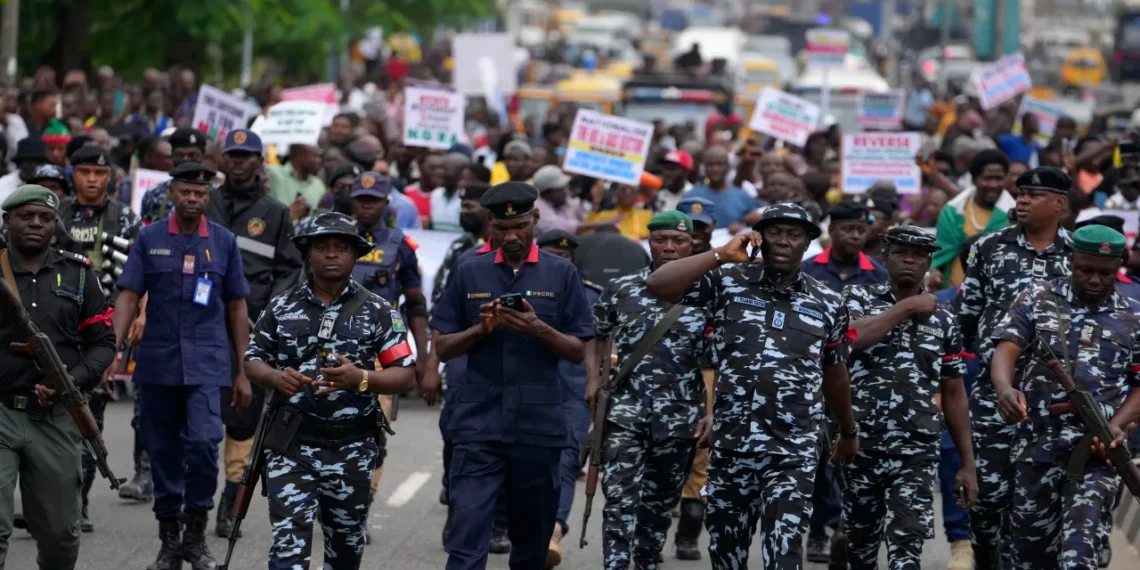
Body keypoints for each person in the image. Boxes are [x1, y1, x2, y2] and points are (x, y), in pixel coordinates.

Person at [645, 203, 860, 570]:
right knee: (727, 554)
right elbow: (658, 285)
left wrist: (848, 429)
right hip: (732, 446)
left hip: (793, 449)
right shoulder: (727, 280)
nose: (784, 242)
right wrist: (719, 254)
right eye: (775, 232)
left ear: (808, 243)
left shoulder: (828, 303)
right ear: (759, 236)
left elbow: (835, 371)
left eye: (795, 235)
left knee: (784, 553)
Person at [430, 181, 595, 570]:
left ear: (535, 218)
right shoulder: (469, 270)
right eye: (501, 229)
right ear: (488, 223)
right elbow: (443, 347)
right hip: (477, 424)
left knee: (531, 545)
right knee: (466, 539)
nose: (512, 236)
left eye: (520, 225)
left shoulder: (561, 274)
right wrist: (479, 330)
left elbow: (576, 351)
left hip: (537, 428)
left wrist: (538, 328)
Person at [244, 212, 416, 570]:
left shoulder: (379, 310)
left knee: (345, 549)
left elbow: (405, 375)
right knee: (288, 548)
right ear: (309, 254)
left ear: (356, 255)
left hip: (351, 446)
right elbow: (252, 360)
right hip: (292, 442)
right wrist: (275, 378)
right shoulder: (280, 306)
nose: (331, 254)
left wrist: (361, 379)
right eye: (322, 247)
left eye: (341, 247)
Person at [112, 161, 253, 570]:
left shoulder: (224, 242)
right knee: (163, 451)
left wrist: (243, 369)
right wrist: (112, 351)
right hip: (157, 364)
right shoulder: (150, 238)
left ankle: (196, 534)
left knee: (205, 444)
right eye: (186, 191)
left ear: (208, 197)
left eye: (200, 193)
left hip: (208, 364)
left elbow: (237, 307)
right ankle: (169, 540)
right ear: (172, 192)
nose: (193, 199)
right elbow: (127, 294)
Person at [990, 224, 1140, 570]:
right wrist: (1004, 387)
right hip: (1036, 448)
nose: (1094, 280)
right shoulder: (1037, 298)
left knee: (1079, 555)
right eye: (1085, 270)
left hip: (1097, 456)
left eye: (1105, 273)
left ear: (1119, 265)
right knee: (1030, 557)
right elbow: (1006, 349)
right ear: (1071, 260)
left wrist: (1115, 427)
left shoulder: (1132, 316)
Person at [840, 226, 978, 569]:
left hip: (916, 450)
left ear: (929, 262)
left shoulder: (945, 321)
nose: (909, 260)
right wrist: (906, 308)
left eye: (918, 255)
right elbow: (850, 339)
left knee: (906, 549)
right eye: (901, 252)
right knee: (860, 549)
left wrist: (967, 463)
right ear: (885, 256)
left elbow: (954, 393)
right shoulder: (856, 298)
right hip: (859, 445)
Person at [959, 166, 1074, 570]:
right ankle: (985, 558)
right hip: (994, 394)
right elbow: (967, 318)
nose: (1022, 200)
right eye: (1020, 193)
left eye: (1034, 194)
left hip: (1051, 399)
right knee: (989, 494)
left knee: (1036, 499)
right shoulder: (989, 248)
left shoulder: (1076, 257)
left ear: (1059, 203)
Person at [0, 185, 115, 570]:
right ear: (7, 222)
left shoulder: (79, 276)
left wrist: (73, 378)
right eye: (25, 216)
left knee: (60, 534)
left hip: (55, 418)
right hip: (1, 411)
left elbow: (103, 343)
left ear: (55, 225)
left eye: (45, 218)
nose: (35, 224)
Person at [590, 210, 712, 569]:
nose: (669, 248)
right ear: (649, 242)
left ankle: (645, 561)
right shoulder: (623, 288)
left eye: (678, 241)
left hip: (680, 420)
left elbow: (719, 362)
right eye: (661, 240)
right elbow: (595, 333)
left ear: (692, 245)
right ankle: (615, 564)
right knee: (619, 501)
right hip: (625, 413)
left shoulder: (708, 294)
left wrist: (711, 412)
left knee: (659, 508)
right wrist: (594, 381)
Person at [205, 129, 304, 540]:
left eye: (248, 156)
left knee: (243, 423)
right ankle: (189, 505)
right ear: (223, 159)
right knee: (200, 417)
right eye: (233, 155)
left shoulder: (276, 212)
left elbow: (290, 270)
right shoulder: (203, 201)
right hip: (202, 324)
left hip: (252, 328)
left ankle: (230, 504)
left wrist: (268, 315)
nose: (240, 162)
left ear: (259, 162)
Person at [57, 144, 143, 530]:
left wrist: (139, 315)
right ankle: (51, 499)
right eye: (85, 172)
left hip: (101, 331)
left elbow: (141, 275)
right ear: (71, 173)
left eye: (100, 174)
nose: (92, 180)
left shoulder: (125, 218)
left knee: (89, 419)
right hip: (53, 328)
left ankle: (79, 503)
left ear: (111, 177)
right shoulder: (55, 212)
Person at [347, 171, 430, 526]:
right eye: (361, 199)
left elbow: (415, 304)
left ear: (385, 204)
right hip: (333, 351)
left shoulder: (401, 245)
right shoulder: (334, 240)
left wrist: (424, 360)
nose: (366, 205)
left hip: (383, 356)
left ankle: (361, 506)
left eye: (373, 199)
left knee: (373, 433)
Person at [535, 229, 604, 568]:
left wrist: (595, 381)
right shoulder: (520, 288)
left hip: (574, 389)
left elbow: (599, 341)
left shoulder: (591, 295)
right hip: (529, 388)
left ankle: (554, 529)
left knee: (566, 459)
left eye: (565, 257)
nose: (559, 262)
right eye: (551, 255)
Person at [666, 196, 718, 561]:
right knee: (662, 444)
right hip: (664, 367)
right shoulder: (658, 266)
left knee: (703, 445)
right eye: (689, 228)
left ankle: (688, 530)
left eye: (702, 229)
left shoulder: (725, 268)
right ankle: (651, 528)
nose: (696, 235)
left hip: (709, 367)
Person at [932, 150, 1017, 289]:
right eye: (987, 178)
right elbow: (940, 254)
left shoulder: (1016, 215)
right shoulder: (952, 212)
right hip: (953, 294)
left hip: (997, 295)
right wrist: (934, 272)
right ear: (974, 179)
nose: (993, 184)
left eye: (999, 178)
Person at [140, 128, 211, 224]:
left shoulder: (216, 194)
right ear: (172, 156)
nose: (186, 160)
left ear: (203, 156)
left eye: (192, 155)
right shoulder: (154, 193)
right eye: (179, 155)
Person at [685, 146, 762, 231]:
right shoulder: (691, 196)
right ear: (704, 167)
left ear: (728, 167)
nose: (715, 168)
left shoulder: (742, 196)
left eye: (720, 164)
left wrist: (742, 225)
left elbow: (756, 220)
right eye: (711, 164)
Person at [267, 143, 326, 221]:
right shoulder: (273, 174)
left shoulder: (319, 185)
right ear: (299, 155)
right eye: (315, 156)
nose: (319, 160)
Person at [117, 136, 173, 207]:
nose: (171, 160)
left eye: (173, 155)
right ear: (148, 158)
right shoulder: (130, 183)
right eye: (167, 156)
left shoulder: (176, 183)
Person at [586, 183, 654, 241]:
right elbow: (586, 234)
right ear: (616, 193)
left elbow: (650, 238)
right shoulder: (605, 215)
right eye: (623, 190)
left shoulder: (646, 215)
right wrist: (595, 202)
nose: (627, 193)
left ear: (637, 195)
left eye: (632, 191)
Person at [0, 138, 48, 206]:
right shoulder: (2, 185)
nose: (33, 166)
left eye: (37, 162)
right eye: (29, 162)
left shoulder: (50, 185)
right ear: (19, 163)